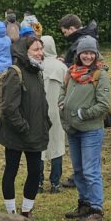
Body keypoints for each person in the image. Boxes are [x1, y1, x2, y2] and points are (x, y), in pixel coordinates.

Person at [0, 35, 50, 221]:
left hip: (35, 132)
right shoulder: (15, 73)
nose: (40, 53)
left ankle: (27, 213)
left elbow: (40, 102)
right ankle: (11, 215)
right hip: (16, 133)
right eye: (36, 49)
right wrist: (23, 127)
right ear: (25, 52)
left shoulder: (37, 71)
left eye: (41, 49)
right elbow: (9, 108)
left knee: (35, 172)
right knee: (11, 170)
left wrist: (46, 123)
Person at [59, 36, 111, 221]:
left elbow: (104, 104)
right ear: (78, 54)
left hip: (91, 131)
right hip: (72, 129)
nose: (88, 56)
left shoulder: (100, 75)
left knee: (91, 171)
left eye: (91, 53)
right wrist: (61, 104)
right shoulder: (72, 72)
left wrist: (82, 114)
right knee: (79, 170)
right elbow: (63, 90)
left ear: (96, 54)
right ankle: (85, 204)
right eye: (84, 53)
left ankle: (97, 211)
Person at [39, 35, 69, 193]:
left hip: (38, 111)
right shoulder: (61, 67)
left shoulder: (37, 66)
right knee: (57, 145)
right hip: (57, 112)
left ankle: (38, 183)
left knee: (39, 147)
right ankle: (55, 184)